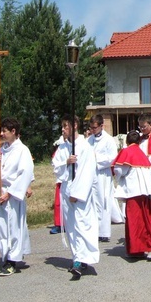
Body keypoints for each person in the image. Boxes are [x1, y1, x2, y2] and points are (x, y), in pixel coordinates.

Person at [52, 115, 99, 278]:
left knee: (82, 224)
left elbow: (87, 172)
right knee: (71, 226)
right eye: (62, 126)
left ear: (75, 126)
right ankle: (77, 258)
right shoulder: (63, 147)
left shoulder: (85, 147)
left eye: (65, 126)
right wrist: (66, 162)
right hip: (66, 189)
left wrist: (77, 193)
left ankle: (82, 259)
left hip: (79, 193)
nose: (63, 130)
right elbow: (56, 167)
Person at [0, 117, 34, 277]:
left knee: (13, 227)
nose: (1, 134)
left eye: (4, 131)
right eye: (1, 131)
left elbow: (25, 173)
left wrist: (10, 193)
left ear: (13, 132)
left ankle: (12, 260)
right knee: (0, 227)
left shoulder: (22, 150)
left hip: (13, 194)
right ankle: (5, 255)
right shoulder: (1, 151)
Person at [112, 130, 151, 260]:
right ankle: (138, 249)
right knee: (146, 219)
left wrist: (117, 175)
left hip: (133, 192)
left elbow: (119, 170)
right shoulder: (141, 153)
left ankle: (149, 247)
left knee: (135, 221)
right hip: (144, 191)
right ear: (139, 141)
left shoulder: (126, 151)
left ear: (127, 141)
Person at [88, 115, 123, 243]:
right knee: (93, 202)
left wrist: (97, 159)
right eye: (91, 128)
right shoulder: (89, 140)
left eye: (95, 128)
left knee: (104, 201)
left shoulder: (108, 140)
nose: (92, 130)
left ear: (102, 126)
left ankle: (104, 232)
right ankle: (94, 230)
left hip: (103, 174)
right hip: (92, 174)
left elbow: (113, 158)